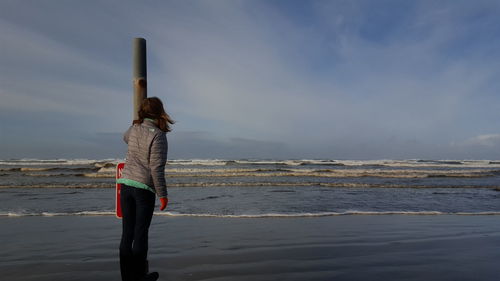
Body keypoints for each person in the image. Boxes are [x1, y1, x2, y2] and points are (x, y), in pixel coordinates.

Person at [117, 91, 174, 281]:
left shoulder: (133, 129)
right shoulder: (158, 135)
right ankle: (139, 276)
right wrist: (163, 194)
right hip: (143, 189)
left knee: (127, 233)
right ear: (160, 113)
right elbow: (156, 167)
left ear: (142, 112)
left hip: (125, 185)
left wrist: (137, 126)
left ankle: (127, 277)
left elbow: (125, 138)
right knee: (140, 233)